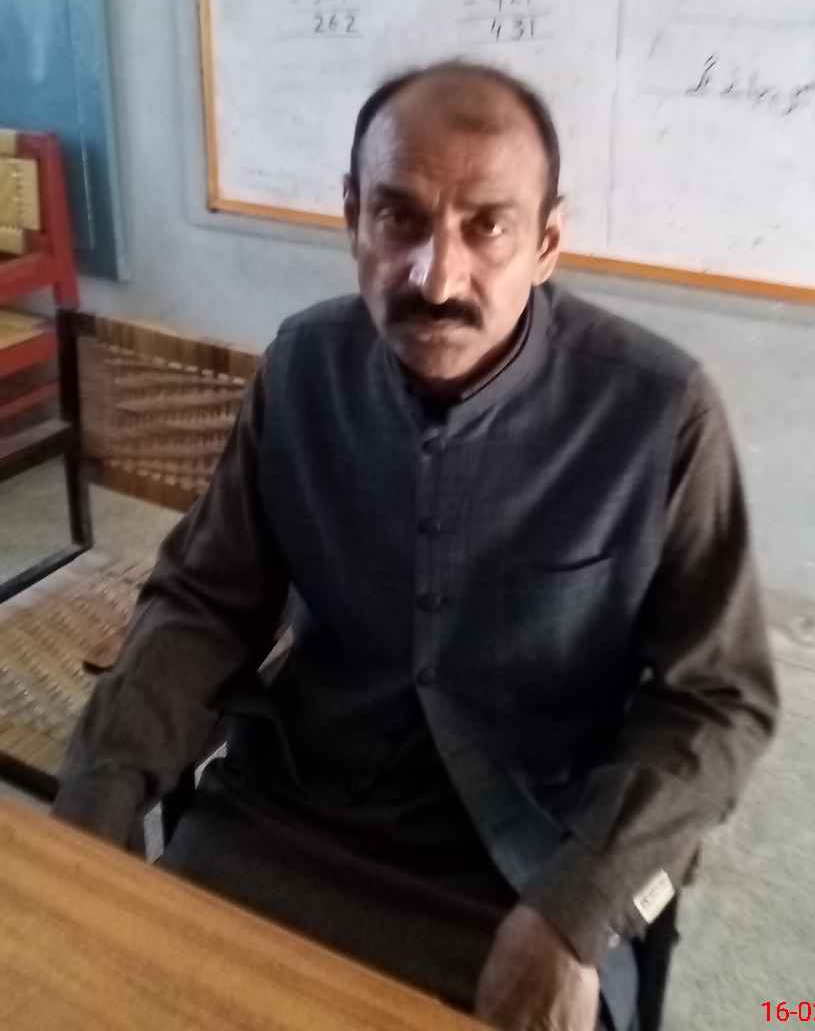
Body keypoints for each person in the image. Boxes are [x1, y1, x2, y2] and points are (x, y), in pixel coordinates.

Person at [54, 61, 778, 1031]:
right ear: (353, 217)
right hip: (292, 814)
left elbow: (720, 699)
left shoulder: (660, 411)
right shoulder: (303, 368)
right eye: (399, 217)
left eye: (488, 226)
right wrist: (96, 801)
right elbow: (205, 602)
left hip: (536, 858)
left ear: (547, 242)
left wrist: (578, 910)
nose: (438, 277)